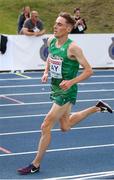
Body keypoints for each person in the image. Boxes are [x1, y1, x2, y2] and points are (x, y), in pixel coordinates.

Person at [17, 12, 113, 175]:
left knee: (46, 125)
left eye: (60, 24)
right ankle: (97, 108)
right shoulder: (51, 40)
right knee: (65, 126)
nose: (55, 26)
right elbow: (50, 57)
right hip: (55, 87)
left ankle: (36, 164)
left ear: (68, 29)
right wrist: (46, 71)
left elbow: (89, 71)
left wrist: (71, 82)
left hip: (67, 91)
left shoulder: (73, 48)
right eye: (55, 23)